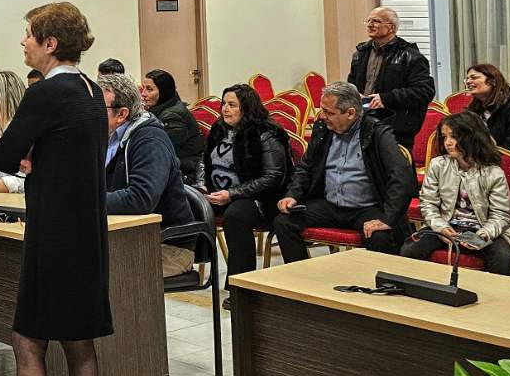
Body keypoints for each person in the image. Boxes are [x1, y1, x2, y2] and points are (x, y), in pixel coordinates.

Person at [0, 2, 108, 376]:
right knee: (79, 341)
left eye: (29, 35)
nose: (23, 42)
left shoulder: (45, 92)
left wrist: (31, 155)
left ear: (50, 44)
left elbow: (5, 154)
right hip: (88, 230)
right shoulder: (91, 90)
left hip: (52, 230)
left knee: (28, 341)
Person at [273, 82, 416, 261]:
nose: (323, 116)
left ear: (350, 113)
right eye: (322, 110)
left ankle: (375, 279)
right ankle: (303, 274)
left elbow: (401, 176)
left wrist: (388, 219)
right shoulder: (323, 130)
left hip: (367, 207)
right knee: (283, 222)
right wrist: (292, 195)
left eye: (329, 112)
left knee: (380, 236)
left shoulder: (377, 132)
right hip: (330, 205)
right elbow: (306, 167)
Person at [400, 113, 510, 276]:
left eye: (454, 136)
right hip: (446, 225)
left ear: (471, 137)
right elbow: (428, 204)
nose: (448, 142)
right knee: (410, 250)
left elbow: (501, 215)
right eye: (444, 137)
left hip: (485, 228)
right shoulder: (438, 165)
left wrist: (483, 234)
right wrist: (441, 227)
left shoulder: (493, 172)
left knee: (502, 258)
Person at [200, 85, 290, 300]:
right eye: (223, 104)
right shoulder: (219, 128)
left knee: (236, 216)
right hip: (219, 194)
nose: (225, 109)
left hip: (259, 198)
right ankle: (181, 266)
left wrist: (232, 194)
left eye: (232, 105)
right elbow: (203, 162)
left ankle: (240, 289)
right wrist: (202, 185)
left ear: (246, 108)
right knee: (188, 204)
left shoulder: (265, 132)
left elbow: (272, 176)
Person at [98, 74, 192, 229]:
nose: (91, 113)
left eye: (98, 108)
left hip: (162, 235)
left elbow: (141, 198)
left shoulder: (151, 140)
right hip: (121, 229)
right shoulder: (105, 136)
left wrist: (88, 201)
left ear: (121, 114)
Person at [345, 7, 436, 145]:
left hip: (396, 128)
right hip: (362, 123)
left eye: (376, 21)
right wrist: (355, 94)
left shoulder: (411, 56)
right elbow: (352, 82)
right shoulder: (360, 53)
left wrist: (386, 98)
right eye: (368, 21)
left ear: (391, 28)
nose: (370, 25)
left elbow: (424, 91)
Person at [141, 69, 206, 183]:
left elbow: (158, 150)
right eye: (143, 88)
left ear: (163, 92)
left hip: (185, 172)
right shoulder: (164, 108)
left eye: (149, 89)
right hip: (173, 166)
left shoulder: (173, 116)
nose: (143, 94)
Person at [461, 63, 510, 154]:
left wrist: (485, 156)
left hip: (506, 159)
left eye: (474, 78)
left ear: (493, 81)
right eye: (467, 79)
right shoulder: (472, 110)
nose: (468, 82)